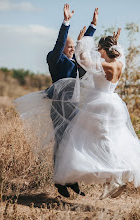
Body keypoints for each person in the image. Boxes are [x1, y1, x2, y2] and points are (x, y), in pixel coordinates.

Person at [51, 28, 140, 199]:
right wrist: (115, 42)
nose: (97, 52)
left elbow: (83, 60)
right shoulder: (119, 64)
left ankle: (115, 176)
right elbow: (116, 55)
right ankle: (111, 181)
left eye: (99, 49)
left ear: (104, 49)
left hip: (100, 105)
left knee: (91, 141)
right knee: (111, 140)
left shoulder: (105, 65)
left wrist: (81, 42)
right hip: (115, 105)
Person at [47, 4, 98, 198]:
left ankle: (71, 178)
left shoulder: (74, 64)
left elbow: (81, 50)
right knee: (61, 144)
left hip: (74, 107)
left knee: (74, 143)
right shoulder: (55, 59)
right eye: (69, 47)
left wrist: (92, 28)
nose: (71, 49)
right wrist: (66, 22)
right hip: (60, 109)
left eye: (72, 47)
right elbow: (60, 43)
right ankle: (59, 181)